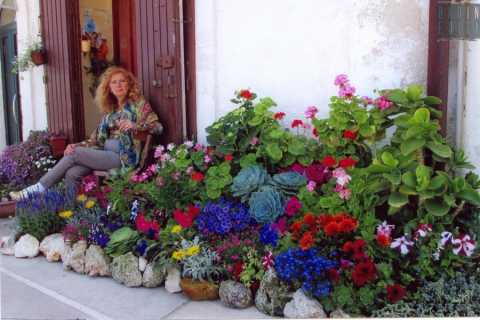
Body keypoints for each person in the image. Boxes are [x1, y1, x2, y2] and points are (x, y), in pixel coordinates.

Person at [10, 66, 162, 200]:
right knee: (72, 173)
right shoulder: (111, 111)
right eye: (113, 82)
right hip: (104, 153)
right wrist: (75, 144)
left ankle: (37, 189)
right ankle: (73, 215)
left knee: (74, 154)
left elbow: (158, 127)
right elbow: (95, 140)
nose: (118, 85)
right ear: (108, 87)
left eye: (122, 81)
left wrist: (135, 125)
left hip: (124, 157)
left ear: (129, 84)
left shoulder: (139, 104)